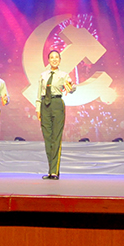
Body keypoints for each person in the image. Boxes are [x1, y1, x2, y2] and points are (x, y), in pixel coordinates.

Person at [34, 49, 75, 179]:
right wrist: (38, 108)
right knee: (47, 138)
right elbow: (39, 93)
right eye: (52, 57)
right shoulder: (43, 75)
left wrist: (71, 86)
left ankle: (54, 171)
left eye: (56, 57)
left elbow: (72, 88)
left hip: (57, 104)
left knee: (56, 137)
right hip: (45, 105)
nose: (54, 59)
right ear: (48, 60)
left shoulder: (63, 75)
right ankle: (50, 169)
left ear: (60, 60)